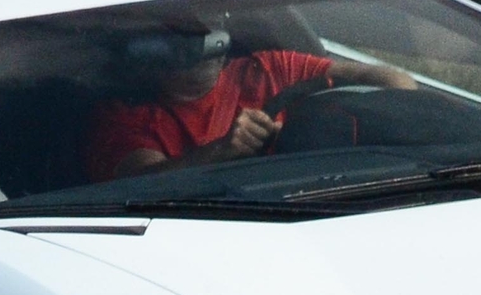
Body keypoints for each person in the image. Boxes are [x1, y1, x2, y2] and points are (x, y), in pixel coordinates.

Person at [86, 24, 416, 181]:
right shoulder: (124, 118)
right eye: (188, 41)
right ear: (150, 57)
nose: (208, 46)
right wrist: (221, 152)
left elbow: (392, 80)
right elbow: (144, 182)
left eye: (211, 36)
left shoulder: (267, 69)